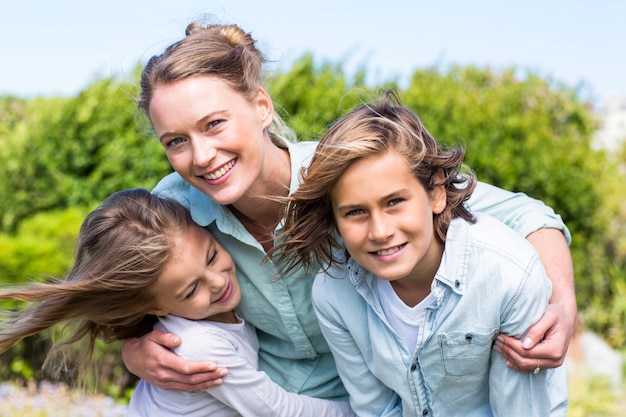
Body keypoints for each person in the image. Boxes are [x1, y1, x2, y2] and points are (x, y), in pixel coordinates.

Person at [122, 20, 576, 399]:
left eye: (214, 123)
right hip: (263, 393)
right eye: (176, 141)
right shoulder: (170, 210)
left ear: (261, 107)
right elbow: (111, 283)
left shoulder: (347, 173)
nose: (201, 156)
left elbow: (526, 213)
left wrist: (563, 301)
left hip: (378, 394)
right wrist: (134, 348)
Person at [271, 91, 568, 416]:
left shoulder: (509, 275)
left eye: (394, 202)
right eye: (355, 212)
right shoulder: (333, 293)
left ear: (436, 193)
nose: (380, 231)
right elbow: (376, 409)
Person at [0, 189, 355, 417]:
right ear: (155, 307)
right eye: (190, 291)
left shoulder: (185, 225)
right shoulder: (197, 348)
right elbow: (276, 410)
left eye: (213, 255)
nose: (218, 282)